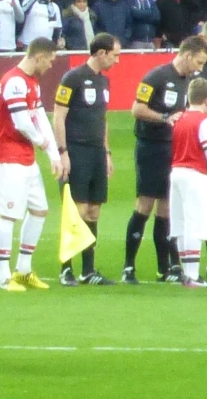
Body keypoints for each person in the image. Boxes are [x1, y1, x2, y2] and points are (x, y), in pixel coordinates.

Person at [126, 35, 207, 283]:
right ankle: (129, 267)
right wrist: (164, 118)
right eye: (199, 61)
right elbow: (136, 109)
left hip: (174, 149)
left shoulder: (192, 82)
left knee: (167, 208)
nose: (200, 68)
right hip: (151, 147)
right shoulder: (157, 76)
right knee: (145, 204)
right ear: (187, 55)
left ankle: (167, 268)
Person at [0, 37, 63, 292]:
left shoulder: (32, 83)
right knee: (8, 214)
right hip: (8, 156)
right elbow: (22, 122)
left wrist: (54, 154)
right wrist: (44, 144)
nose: (51, 65)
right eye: (50, 59)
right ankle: (2, 276)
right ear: (40, 56)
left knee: (40, 210)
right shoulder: (14, 81)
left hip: (25, 157)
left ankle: (23, 270)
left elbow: (40, 116)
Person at [51, 33, 119, 286]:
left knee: (93, 210)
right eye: (115, 55)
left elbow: (102, 120)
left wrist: (107, 152)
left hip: (97, 153)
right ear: (101, 53)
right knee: (75, 210)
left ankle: (88, 271)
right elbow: (58, 116)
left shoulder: (104, 82)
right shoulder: (73, 78)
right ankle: (66, 269)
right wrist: (62, 152)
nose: (117, 60)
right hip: (76, 151)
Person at [168, 77, 207, 288]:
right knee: (194, 223)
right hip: (195, 174)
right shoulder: (203, 121)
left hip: (176, 172)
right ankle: (192, 275)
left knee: (181, 223)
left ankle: (187, 272)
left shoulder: (180, 119)